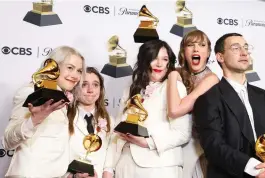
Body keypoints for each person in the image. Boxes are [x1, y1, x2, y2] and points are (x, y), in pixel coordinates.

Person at [193, 33, 265, 178]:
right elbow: (214, 146)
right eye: (235, 48)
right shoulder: (208, 99)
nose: (244, 52)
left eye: (246, 47)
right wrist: (257, 168)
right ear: (220, 57)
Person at [103, 39, 191, 178]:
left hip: (159, 167)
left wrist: (147, 142)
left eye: (164, 59)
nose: (159, 64)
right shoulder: (130, 89)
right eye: (154, 58)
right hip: (124, 166)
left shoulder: (174, 86)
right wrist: (108, 168)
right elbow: (118, 130)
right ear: (145, 60)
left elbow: (182, 133)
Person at [2, 46, 85, 178]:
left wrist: (71, 175)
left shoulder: (64, 101)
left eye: (79, 71)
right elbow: (7, 142)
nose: (75, 75)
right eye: (70, 68)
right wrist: (34, 120)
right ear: (54, 65)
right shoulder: (30, 93)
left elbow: (55, 148)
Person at [167, 29, 219, 178]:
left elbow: (176, 110)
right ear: (183, 52)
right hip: (173, 140)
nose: (196, 49)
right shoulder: (176, 72)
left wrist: (172, 76)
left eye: (202, 45)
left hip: (197, 144)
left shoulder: (211, 79)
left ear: (208, 52)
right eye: (191, 45)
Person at [64, 67, 114, 178]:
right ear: (75, 88)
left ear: (100, 90)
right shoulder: (64, 117)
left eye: (95, 85)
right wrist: (72, 176)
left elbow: (109, 162)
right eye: (84, 84)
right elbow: (56, 156)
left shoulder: (110, 120)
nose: (90, 90)